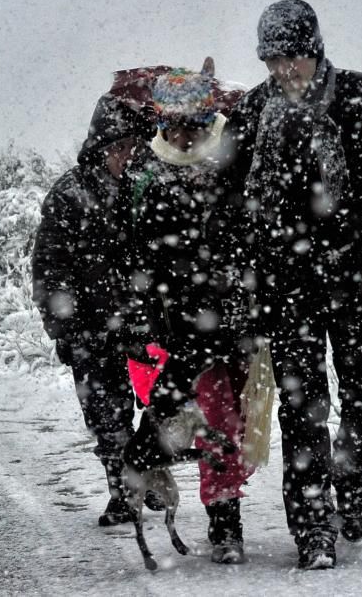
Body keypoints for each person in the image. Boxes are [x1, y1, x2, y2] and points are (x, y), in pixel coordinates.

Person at [214, 0, 362, 569]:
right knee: (303, 408)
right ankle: (313, 526)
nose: (281, 71)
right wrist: (233, 280)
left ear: (313, 49)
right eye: (271, 60)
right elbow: (225, 206)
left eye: (290, 57)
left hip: (360, 276)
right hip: (283, 284)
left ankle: (351, 473)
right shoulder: (253, 114)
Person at [123, 61, 253, 564]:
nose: (179, 135)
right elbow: (136, 254)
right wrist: (142, 312)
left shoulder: (229, 167)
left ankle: (221, 515)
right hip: (175, 324)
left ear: (204, 120)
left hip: (229, 320)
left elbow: (250, 240)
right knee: (195, 416)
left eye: (189, 125)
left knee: (224, 420)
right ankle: (217, 518)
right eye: (170, 124)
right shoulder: (147, 175)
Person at [31, 93, 164, 527]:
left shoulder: (147, 188)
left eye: (130, 147)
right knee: (106, 415)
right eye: (117, 147)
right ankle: (123, 492)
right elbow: (50, 268)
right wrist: (65, 328)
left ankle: (150, 472)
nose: (124, 156)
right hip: (90, 328)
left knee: (161, 404)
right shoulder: (69, 195)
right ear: (99, 146)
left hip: (144, 324)